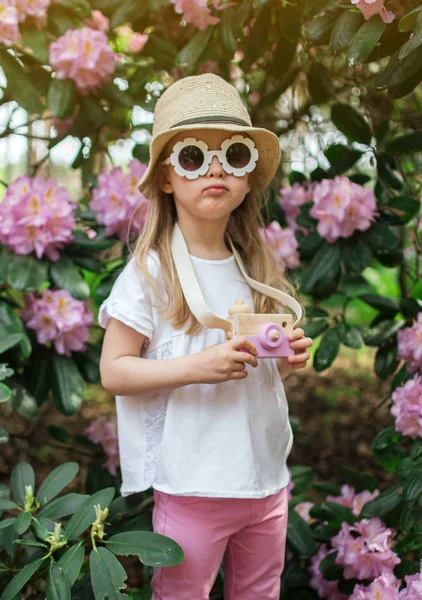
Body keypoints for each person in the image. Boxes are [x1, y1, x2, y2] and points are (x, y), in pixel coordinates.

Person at [98, 73, 313, 600]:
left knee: (260, 592)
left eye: (234, 155)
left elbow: (253, 365)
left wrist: (283, 357)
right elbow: (114, 371)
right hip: (194, 483)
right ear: (167, 179)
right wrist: (198, 367)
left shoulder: (254, 266)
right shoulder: (150, 271)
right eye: (194, 157)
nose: (215, 168)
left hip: (264, 480)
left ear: (246, 180)